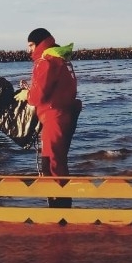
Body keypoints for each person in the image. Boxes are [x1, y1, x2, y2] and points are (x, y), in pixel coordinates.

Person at [15, 28, 82, 207]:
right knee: (57, 160)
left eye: (31, 45)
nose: (29, 50)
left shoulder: (45, 61)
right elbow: (56, 88)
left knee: (51, 163)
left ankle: (59, 208)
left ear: (40, 44)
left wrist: (27, 95)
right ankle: (63, 206)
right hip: (63, 113)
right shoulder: (60, 58)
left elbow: (38, 97)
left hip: (54, 116)